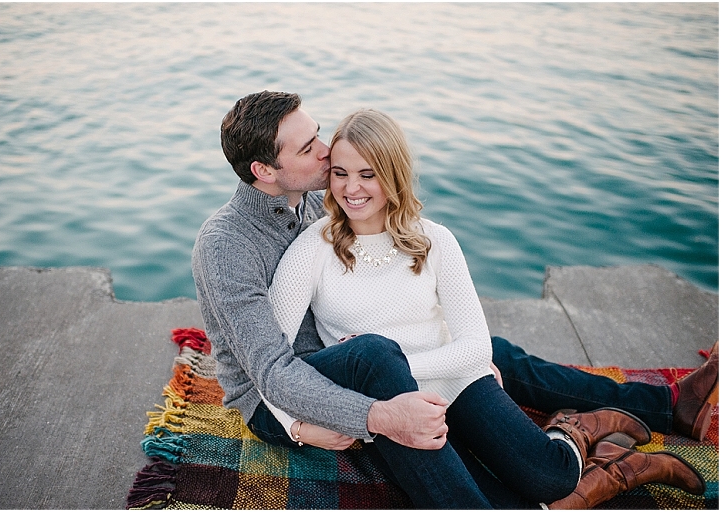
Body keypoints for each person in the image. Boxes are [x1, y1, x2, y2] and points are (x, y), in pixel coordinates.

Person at [192, 91, 717, 507]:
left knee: (492, 355)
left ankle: (655, 410)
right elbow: (274, 371)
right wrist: (363, 417)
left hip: (378, 361)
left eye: (320, 138)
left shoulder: (311, 200)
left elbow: (442, 321)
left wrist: (451, 361)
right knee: (383, 356)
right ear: (265, 170)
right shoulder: (230, 245)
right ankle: (581, 460)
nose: (328, 155)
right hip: (296, 388)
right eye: (311, 149)